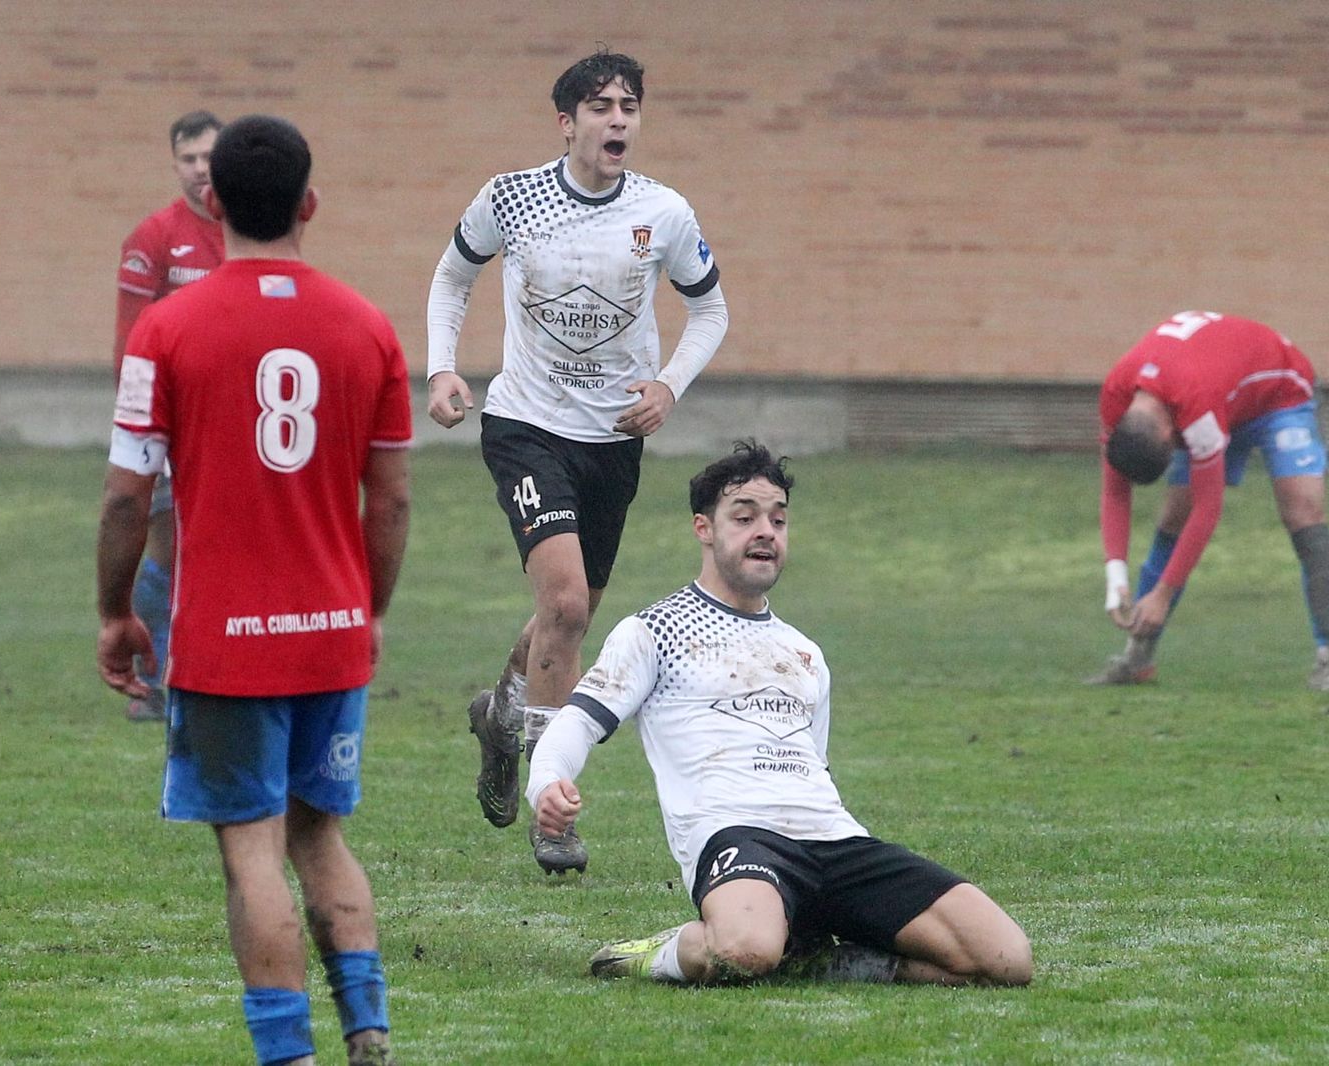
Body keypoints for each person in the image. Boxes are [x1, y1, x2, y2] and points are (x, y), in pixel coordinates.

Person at [96, 115, 410, 1066]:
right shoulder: (368, 328)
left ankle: (288, 1056)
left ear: (214, 202)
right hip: (329, 631)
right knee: (321, 835)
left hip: (226, 642)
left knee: (250, 850)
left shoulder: (166, 327)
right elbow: (390, 500)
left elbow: (124, 495)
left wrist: (115, 612)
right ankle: (369, 1032)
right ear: (308, 204)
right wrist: (371, 612)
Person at [528, 441, 1033, 987]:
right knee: (745, 951)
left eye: (778, 519)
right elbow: (578, 720)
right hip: (739, 837)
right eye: (744, 518)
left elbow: (818, 765)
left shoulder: (805, 653)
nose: (765, 531)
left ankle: (835, 960)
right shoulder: (655, 629)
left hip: (834, 839)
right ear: (704, 529)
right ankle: (666, 951)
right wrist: (547, 783)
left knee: (1006, 960)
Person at [426, 50, 729, 875]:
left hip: (613, 442)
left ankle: (502, 714)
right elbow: (453, 276)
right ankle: (552, 813)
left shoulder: (663, 213)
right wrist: (442, 366)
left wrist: (668, 387)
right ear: (567, 123)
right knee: (563, 604)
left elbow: (710, 309)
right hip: (525, 427)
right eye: (600, 106)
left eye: (629, 105)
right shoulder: (511, 197)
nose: (618, 119)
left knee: (570, 618)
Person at [1089, 311, 1329, 691]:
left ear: (1169, 433)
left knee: (1302, 512)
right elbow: (1114, 490)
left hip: (1278, 394)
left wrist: (1162, 594)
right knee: (1173, 515)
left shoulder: (1195, 406)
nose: (1181, 448)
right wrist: (1115, 581)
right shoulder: (1117, 398)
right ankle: (1138, 656)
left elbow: (1208, 509)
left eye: (1178, 445)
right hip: (1217, 391)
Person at [113, 109, 225, 722]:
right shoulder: (154, 238)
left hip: (234, 426)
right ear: (175, 163)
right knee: (167, 548)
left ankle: (218, 672)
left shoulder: (249, 231)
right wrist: (141, 427)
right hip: (170, 426)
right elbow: (130, 343)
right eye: (188, 158)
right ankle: (152, 681)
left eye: (209, 155)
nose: (200, 168)